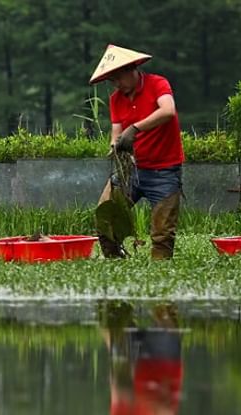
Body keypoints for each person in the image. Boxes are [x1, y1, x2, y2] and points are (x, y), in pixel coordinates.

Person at [89, 44, 185, 260]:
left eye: (118, 78)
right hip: (130, 171)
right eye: (111, 81)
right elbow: (116, 132)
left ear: (131, 70)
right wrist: (115, 146)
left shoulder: (157, 84)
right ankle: (116, 263)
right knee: (105, 219)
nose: (116, 85)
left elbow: (168, 111)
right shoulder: (116, 99)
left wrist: (135, 128)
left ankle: (159, 275)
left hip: (164, 171)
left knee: (162, 234)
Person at [95, 300, 184, 415]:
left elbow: (117, 387)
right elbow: (166, 414)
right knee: (162, 309)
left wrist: (112, 342)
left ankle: (116, 305)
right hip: (162, 363)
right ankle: (165, 307)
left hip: (134, 362)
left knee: (111, 316)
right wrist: (138, 399)